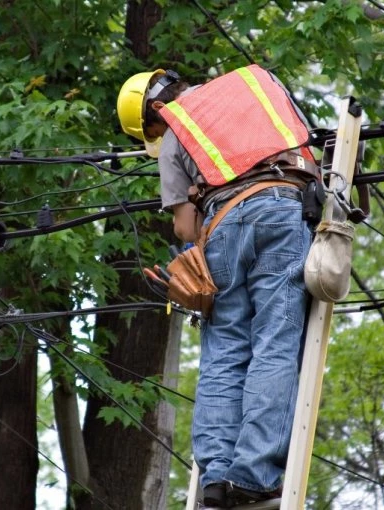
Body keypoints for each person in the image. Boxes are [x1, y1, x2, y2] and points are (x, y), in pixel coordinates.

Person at [116, 65, 320, 508]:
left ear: (156, 108)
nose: (158, 133)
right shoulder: (255, 86)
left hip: (224, 228)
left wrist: (191, 197)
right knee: (275, 343)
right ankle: (254, 476)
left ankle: (216, 478)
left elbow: (187, 229)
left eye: (151, 128)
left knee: (225, 353)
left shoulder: (176, 131)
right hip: (286, 208)